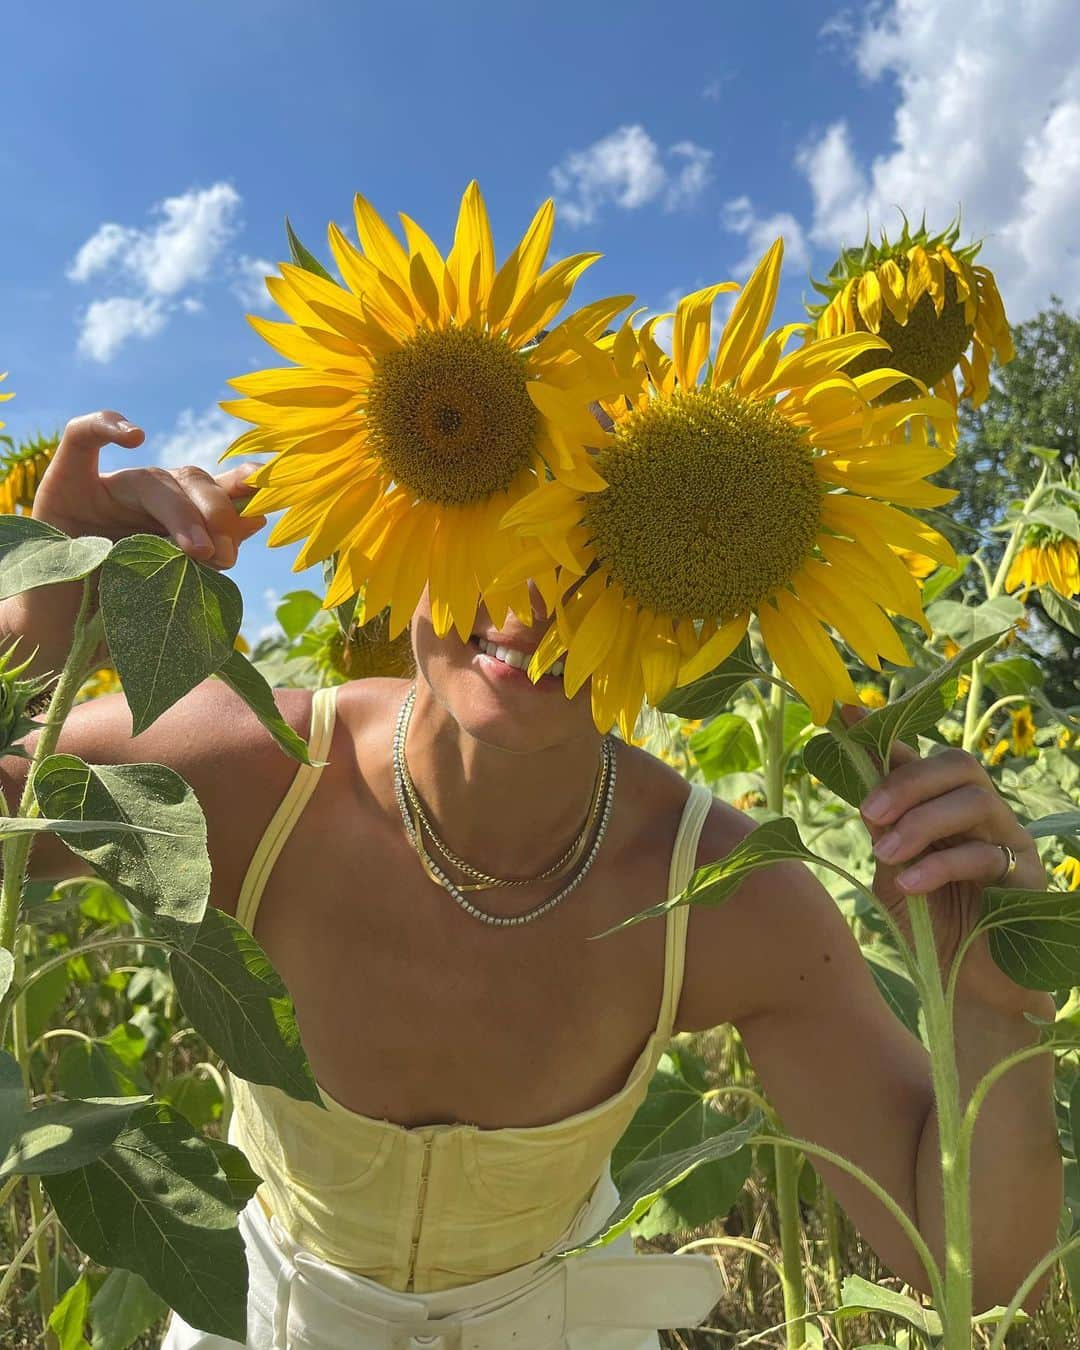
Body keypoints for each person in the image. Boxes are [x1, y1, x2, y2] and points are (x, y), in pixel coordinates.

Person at [3, 411, 1062, 1348]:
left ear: (680, 583)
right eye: (497, 525)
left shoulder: (727, 893)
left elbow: (968, 1272)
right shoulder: (258, 769)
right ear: (415, 528)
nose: (538, 598)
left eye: (602, 545)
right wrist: (50, 608)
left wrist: (990, 1003)